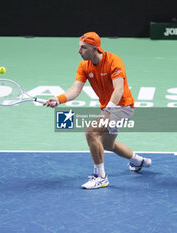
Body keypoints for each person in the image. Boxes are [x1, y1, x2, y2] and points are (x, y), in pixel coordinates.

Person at [44, 32, 151, 189]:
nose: (79, 51)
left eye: (83, 48)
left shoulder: (114, 61)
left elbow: (119, 89)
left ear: (95, 49)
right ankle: (139, 161)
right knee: (107, 144)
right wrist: (59, 99)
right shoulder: (84, 66)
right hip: (109, 108)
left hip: (122, 107)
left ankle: (101, 177)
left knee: (91, 132)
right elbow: (76, 89)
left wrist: (108, 111)